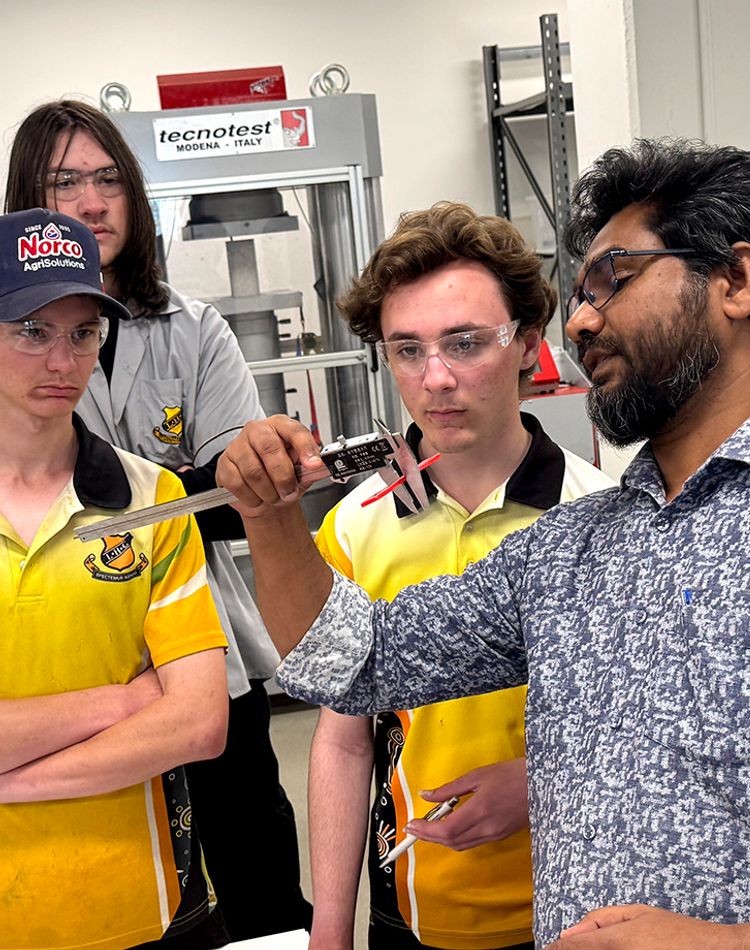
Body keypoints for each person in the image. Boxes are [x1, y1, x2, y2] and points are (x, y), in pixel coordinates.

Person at [215, 137, 750, 950]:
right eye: (577, 292)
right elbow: (351, 664)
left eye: (614, 279)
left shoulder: (591, 504)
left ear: (736, 282)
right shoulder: (580, 546)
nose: (582, 320)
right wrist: (269, 511)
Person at [4, 99, 312, 941]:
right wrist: (185, 485)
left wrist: (161, 493)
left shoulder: (193, 328)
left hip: (206, 650)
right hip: (66, 658)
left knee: (255, 884)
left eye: (110, 180)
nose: (92, 202)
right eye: (64, 181)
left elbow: (234, 505)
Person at [307, 202, 613, 950]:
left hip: (581, 906)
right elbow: (342, 741)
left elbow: (640, 733)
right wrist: (328, 930)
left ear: (527, 345)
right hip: (413, 907)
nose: (435, 379)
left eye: (466, 343)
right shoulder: (355, 525)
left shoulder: (600, 515)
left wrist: (540, 786)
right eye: (407, 350)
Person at [0, 207, 229, 949]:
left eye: (83, 334)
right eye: (31, 331)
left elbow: (198, 722)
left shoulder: (153, 499)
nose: (64, 363)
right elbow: (164, 708)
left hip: (151, 907)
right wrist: (119, 700)